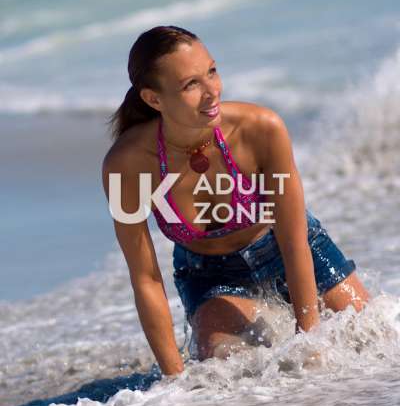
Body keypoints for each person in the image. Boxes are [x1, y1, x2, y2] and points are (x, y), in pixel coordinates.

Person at [102, 25, 369, 376]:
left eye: (211, 72)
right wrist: (173, 381)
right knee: (225, 371)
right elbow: (146, 278)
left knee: (369, 341)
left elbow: (293, 242)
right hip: (212, 276)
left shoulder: (261, 129)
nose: (211, 92)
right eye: (191, 84)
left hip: (291, 249)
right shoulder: (126, 165)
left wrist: (309, 342)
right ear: (153, 99)